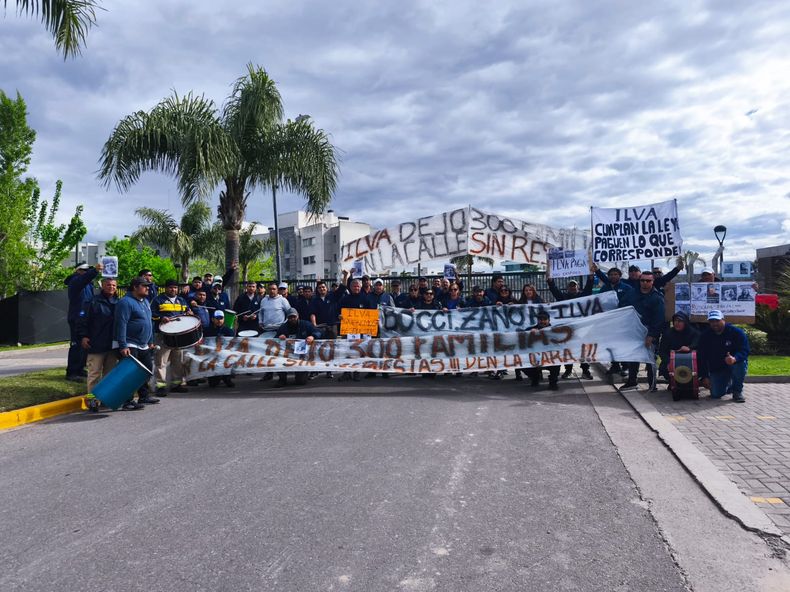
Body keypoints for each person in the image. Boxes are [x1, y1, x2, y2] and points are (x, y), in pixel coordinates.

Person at [114, 277, 158, 409]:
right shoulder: (125, 302)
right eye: (144, 286)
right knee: (130, 373)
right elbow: (121, 324)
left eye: (148, 286)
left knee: (146, 370)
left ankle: (143, 396)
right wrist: (123, 345)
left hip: (144, 344)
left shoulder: (145, 301)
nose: (148, 288)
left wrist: (150, 340)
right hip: (130, 343)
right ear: (135, 287)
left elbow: (149, 322)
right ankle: (127, 401)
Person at [77, 276, 118, 408]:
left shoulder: (119, 302)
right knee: (94, 375)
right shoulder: (92, 302)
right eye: (108, 285)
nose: (111, 287)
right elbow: (82, 321)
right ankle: (91, 400)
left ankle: (105, 398)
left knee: (109, 375)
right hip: (96, 344)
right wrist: (83, 336)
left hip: (113, 345)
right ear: (102, 286)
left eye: (113, 285)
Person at [620, 271, 665, 391]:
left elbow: (659, 319)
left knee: (650, 359)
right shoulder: (631, 294)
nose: (645, 283)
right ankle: (632, 381)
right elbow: (622, 306)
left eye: (648, 281)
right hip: (633, 331)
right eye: (642, 280)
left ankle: (652, 384)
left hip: (649, 332)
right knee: (633, 357)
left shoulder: (657, 297)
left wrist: (651, 335)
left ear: (653, 282)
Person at [547, 275, 594, 380]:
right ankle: (568, 370)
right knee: (568, 350)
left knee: (583, 350)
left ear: (577, 287)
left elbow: (589, 287)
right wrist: (550, 282)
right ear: (567, 288)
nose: (573, 288)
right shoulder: (563, 297)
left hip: (581, 329)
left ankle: (585, 370)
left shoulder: (583, 296)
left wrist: (591, 278)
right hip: (567, 329)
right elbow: (555, 291)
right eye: (570, 286)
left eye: (574, 286)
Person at [698, 310, 749, 403]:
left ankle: (737, 391)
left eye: (717, 320)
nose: (714, 324)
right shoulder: (705, 335)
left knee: (740, 364)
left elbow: (744, 350)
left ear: (723, 320)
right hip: (718, 368)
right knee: (716, 394)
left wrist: (735, 358)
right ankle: (728, 384)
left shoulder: (737, 332)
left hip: (734, 363)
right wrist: (704, 376)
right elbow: (702, 357)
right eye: (712, 321)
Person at [151, 279, 191, 395]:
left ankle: (176, 384)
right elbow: (151, 314)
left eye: (175, 288)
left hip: (179, 335)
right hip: (164, 335)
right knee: (161, 361)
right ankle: (160, 386)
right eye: (170, 287)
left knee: (178, 360)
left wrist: (189, 312)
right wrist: (160, 318)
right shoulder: (158, 300)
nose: (173, 290)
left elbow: (187, 311)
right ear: (166, 288)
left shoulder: (182, 300)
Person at [64, 262, 102, 381]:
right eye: (85, 271)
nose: (87, 273)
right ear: (78, 271)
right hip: (76, 318)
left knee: (84, 345)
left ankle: (79, 369)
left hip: (85, 318)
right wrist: (95, 271)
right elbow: (83, 279)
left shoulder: (88, 285)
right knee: (76, 346)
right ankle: (72, 372)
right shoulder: (75, 281)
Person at [274, 308, 322, 387]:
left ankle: (302, 374)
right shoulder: (283, 327)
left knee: (301, 382)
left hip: (301, 355)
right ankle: (282, 379)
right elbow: (275, 339)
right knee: (279, 360)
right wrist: (279, 337)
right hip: (287, 353)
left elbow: (318, 332)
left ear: (298, 316)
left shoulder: (306, 324)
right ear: (287, 318)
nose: (292, 319)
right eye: (290, 317)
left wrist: (312, 336)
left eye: (294, 317)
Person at [658, 312, 700, 384]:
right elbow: (662, 351)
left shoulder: (694, 333)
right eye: (675, 321)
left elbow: (699, 346)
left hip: (689, 362)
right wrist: (669, 362)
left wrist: (689, 348)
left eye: (680, 321)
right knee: (664, 368)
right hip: (672, 361)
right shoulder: (668, 333)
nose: (677, 323)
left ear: (685, 322)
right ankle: (672, 382)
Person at [524, 311, 560, 390]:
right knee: (523, 364)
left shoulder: (555, 330)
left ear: (549, 320)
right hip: (535, 358)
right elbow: (520, 336)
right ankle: (535, 377)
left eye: (545, 319)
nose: (542, 321)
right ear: (537, 320)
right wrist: (528, 333)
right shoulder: (530, 329)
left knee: (557, 362)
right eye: (540, 319)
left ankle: (553, 382)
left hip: (550, 357)